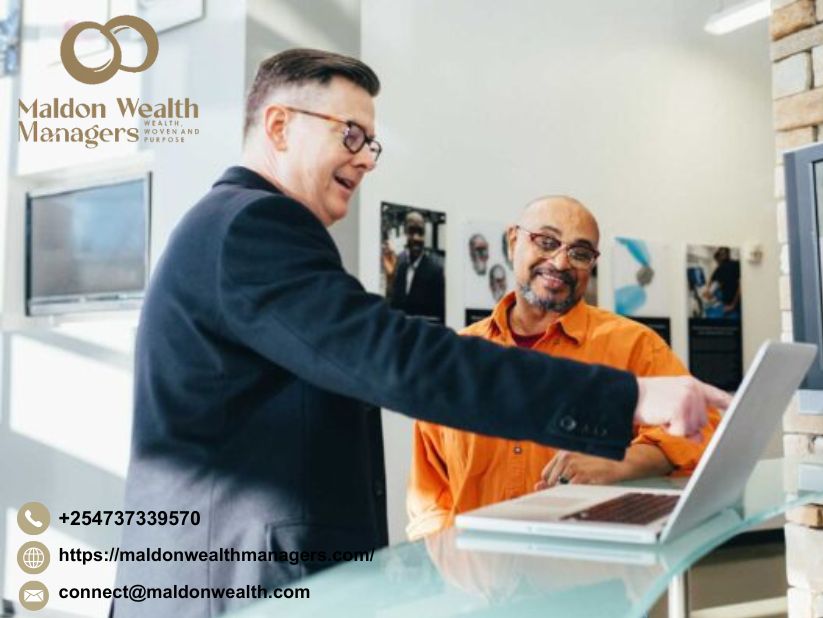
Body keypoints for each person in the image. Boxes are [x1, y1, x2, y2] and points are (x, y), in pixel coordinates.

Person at [112, 50, 729, 618]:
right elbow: (400, 360)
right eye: (350, 134)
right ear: (278, 127)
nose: (364, 158)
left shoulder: (235, 226)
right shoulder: (253, 225)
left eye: (371, 143)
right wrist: (627, 397)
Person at [407, 196, 721, 539]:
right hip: (478, 566)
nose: (560, 262)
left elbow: (701, 432)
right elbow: (429, 496)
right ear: (513, 241)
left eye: (580, 252)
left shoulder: (635, 345)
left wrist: (620, 462)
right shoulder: (457, 358)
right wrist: (449, 558)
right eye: (546, 241)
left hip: (589, 563)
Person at [384, 210, 445, 323]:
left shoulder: (436, 270)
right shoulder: (398, 263)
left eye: (420, 232)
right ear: (405, 233)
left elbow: (439, 317)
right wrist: (390, 279)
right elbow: (392, 307)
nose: (416, 238)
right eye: (411, 231)